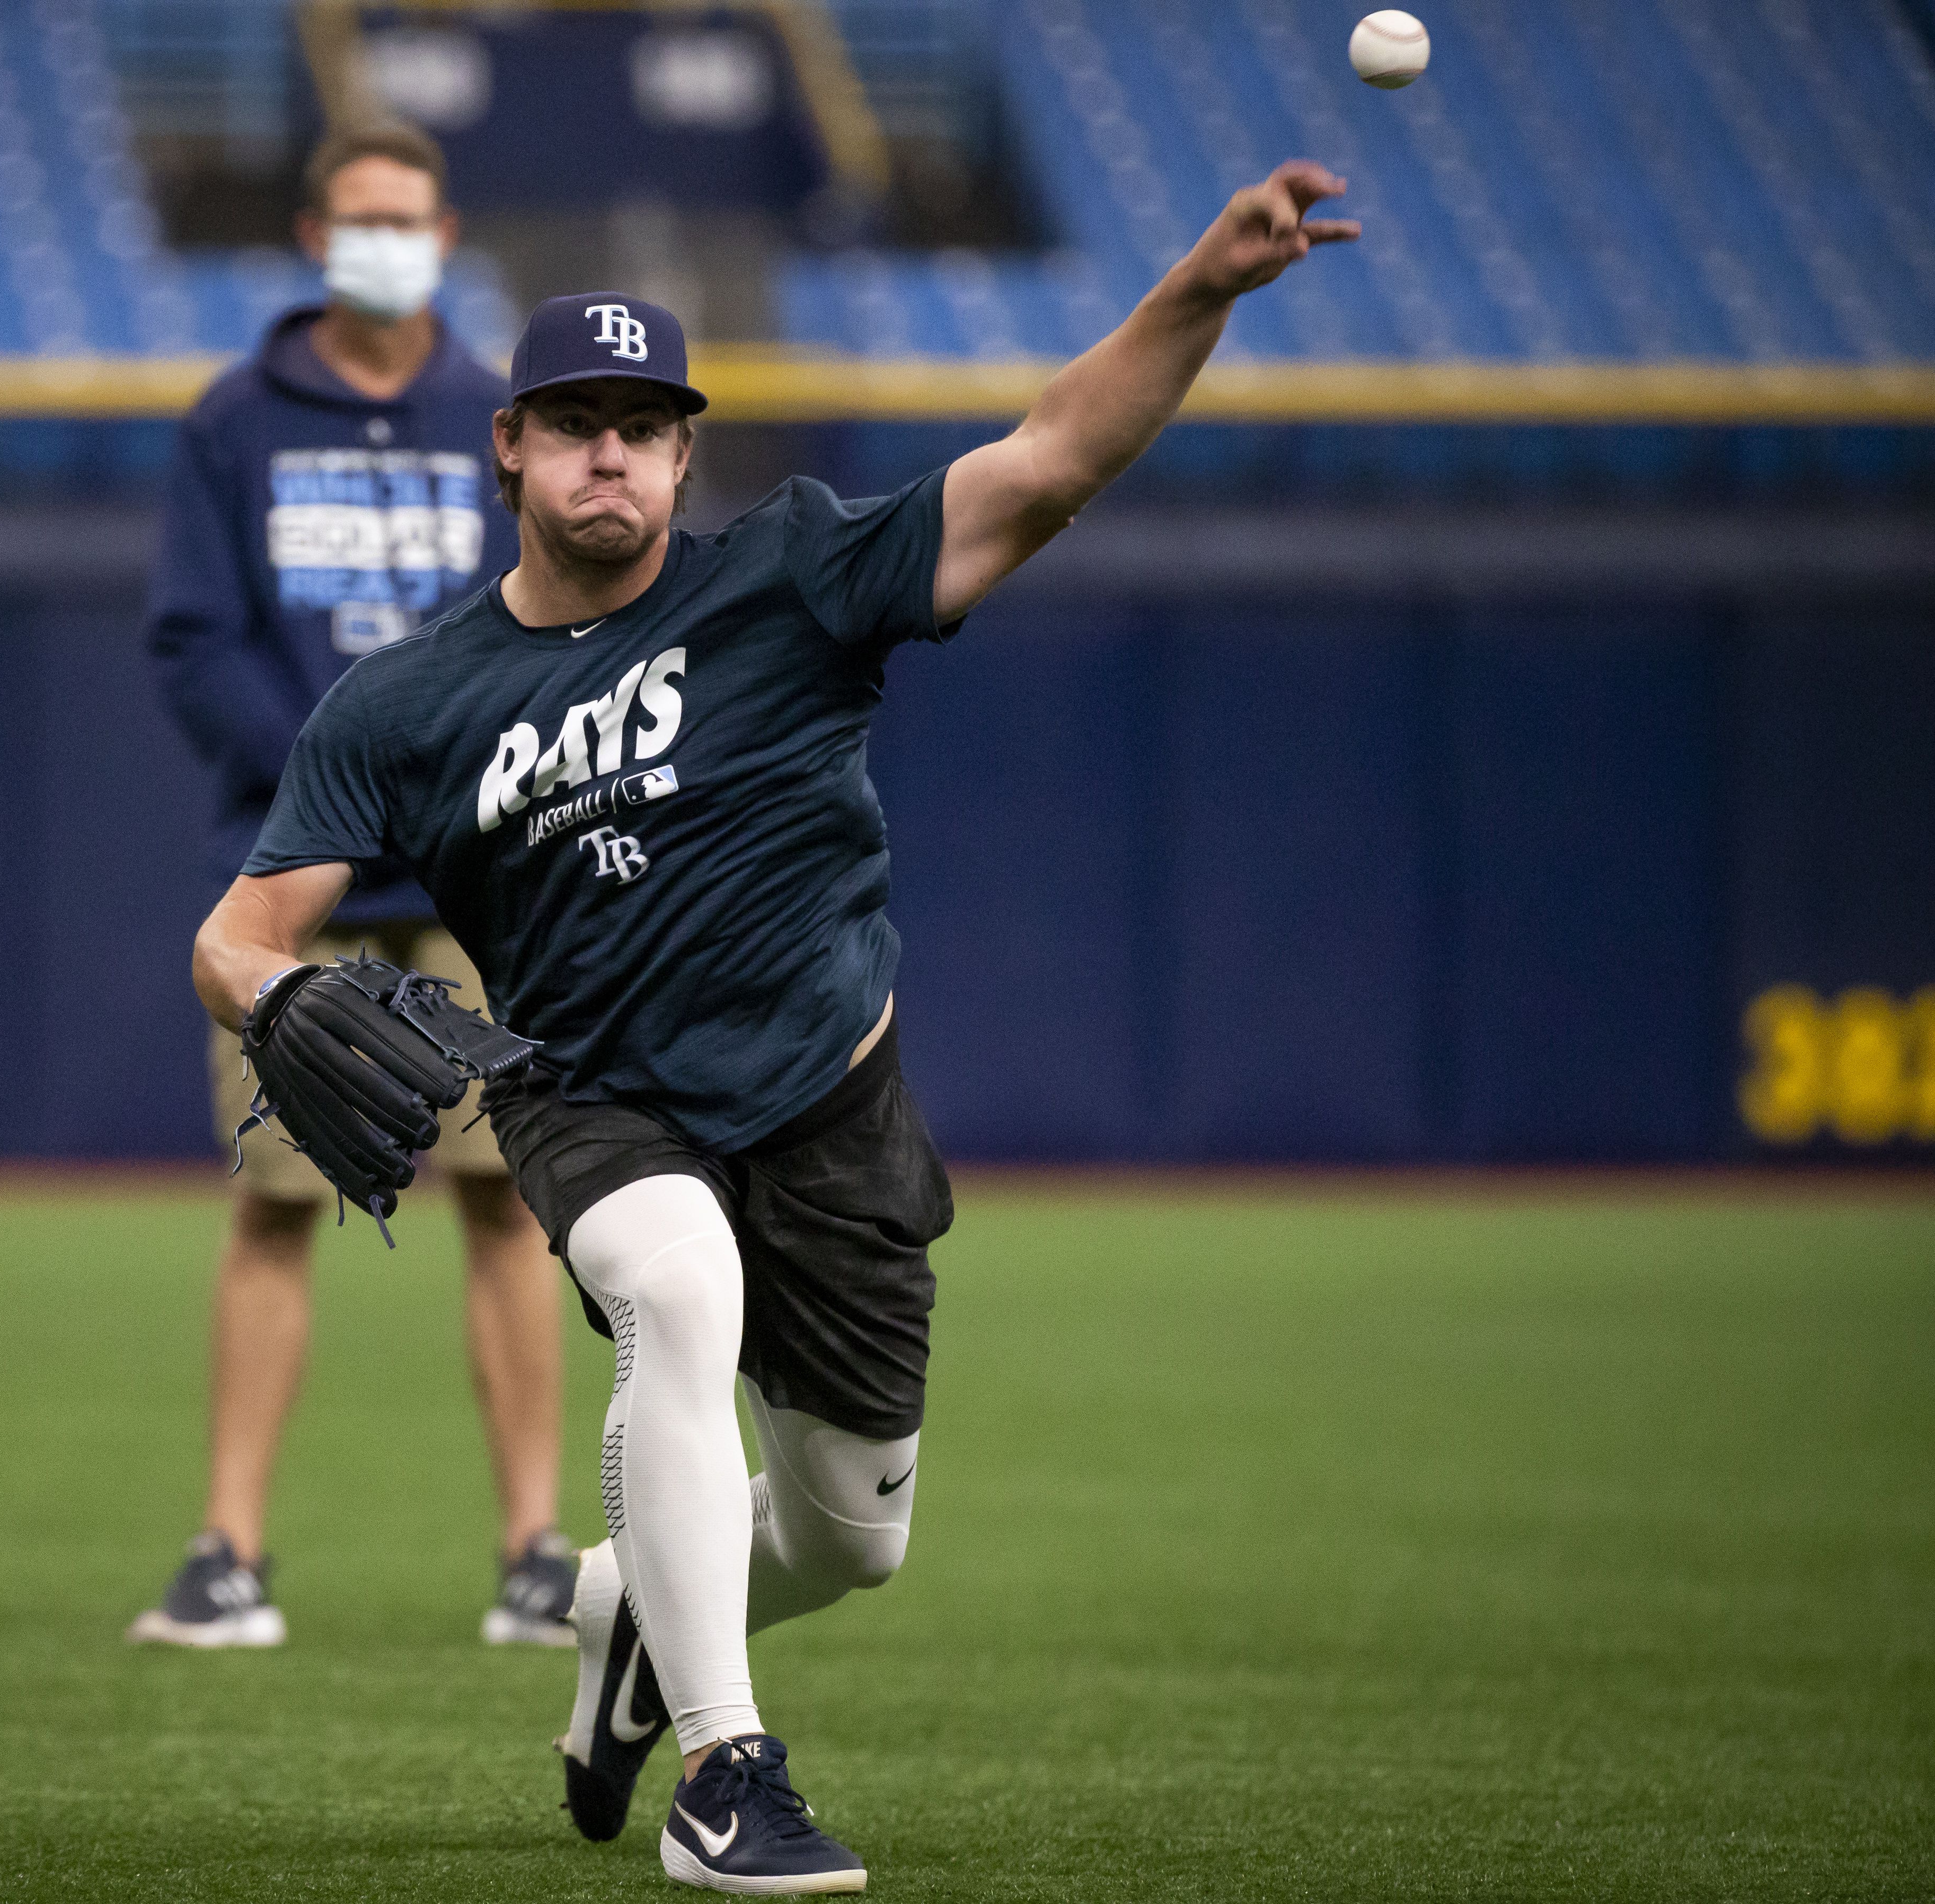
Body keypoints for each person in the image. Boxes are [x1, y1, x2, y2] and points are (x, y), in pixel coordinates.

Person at [191, 164, 1362, 1890]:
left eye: (642, 426)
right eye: (574, 422)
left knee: (844, 1538)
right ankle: (728, 1779)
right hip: (598, 1101)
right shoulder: (406, 702)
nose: (610, 453)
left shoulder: (794, 578)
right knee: (676, 1292)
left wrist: (1198, 288)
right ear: (507, 446)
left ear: (683, 454)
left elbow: (1048, 459)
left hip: (828, 1097)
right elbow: (236, 931)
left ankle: (627, 1624)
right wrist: (280, 991)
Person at [133, 122, 578, 1650]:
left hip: (474, 877)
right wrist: (340, 782)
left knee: (506, 1203)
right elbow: (196, 639)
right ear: (316, 235)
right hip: (287, 885)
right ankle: (226, 1552)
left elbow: (548, 629)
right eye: (356, 217)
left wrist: (441, 784)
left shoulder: (495, 417)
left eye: (405, 216)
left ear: (443, 231)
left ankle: (533, 1550)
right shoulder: (235, 420)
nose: (382, 238)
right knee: (271, 1210)